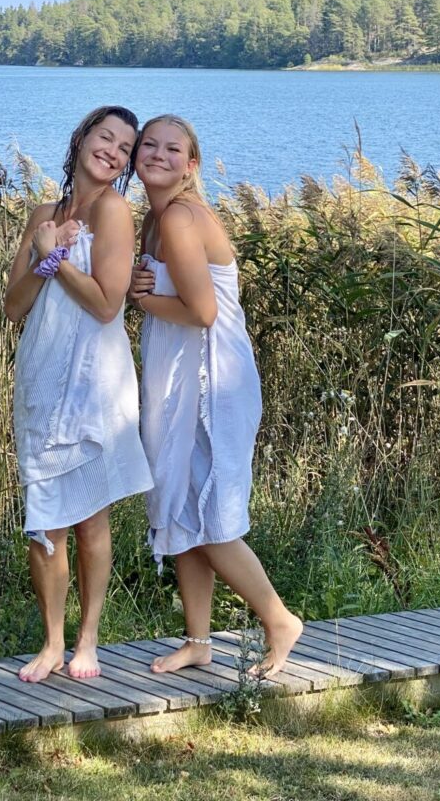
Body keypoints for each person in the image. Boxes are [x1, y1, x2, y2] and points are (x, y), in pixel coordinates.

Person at [129, 114, 303, 677]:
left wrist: (141, 302)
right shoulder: (154, 220)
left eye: (171, 148)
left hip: (210, 380)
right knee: (180, 509)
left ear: (191, 163)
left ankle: (279, 619)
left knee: (211, 519)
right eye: (147, 145)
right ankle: (198, 640)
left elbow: (203, 313)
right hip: (182, 373)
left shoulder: (179, 218)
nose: (156, 154)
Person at [5, 105, 153, 683]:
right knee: (44, 517)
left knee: (90, 520)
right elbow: (14, 306)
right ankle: (50, 643)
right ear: (82, 138)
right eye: (105, 137)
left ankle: (87, 642)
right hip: (43, 373)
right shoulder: (44, 213)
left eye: (125, 148)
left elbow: (106, 303)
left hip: (95, 380)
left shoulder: (114, 210)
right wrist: (43, 251)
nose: (113, 151)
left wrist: (56, 256)